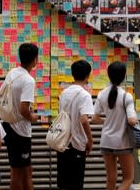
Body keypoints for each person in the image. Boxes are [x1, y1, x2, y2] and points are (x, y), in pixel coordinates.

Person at [92, 61, 136, 190]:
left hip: (106, 141)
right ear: (123, 76)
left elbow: (94, 119)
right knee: (128, 179)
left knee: (111, 179)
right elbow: (132, 121)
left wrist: (106, 122)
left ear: (109, 75)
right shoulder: (127, 96)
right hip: (122, 142)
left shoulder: (101, 94)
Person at [1, 43, 39, 190]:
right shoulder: (28, 80)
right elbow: (24, 110)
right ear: (35, 59)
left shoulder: (12, 73)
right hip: (19, 130)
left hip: (8, 124)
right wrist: (33, 117)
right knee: (18, 172)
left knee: (26, 170)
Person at [57, 60, 94, 190]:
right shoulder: (85, 95)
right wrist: (90, 139)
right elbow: (84, 120)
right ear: (88, 76)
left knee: (63, 183)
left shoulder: (64, 93)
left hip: (62, 142)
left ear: (73, 74)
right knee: (76, 184)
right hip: (77, 144)